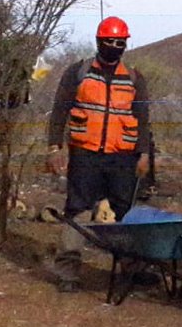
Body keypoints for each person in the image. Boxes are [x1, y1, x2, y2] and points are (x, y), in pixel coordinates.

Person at [46, 16, 151, 293]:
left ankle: (131, 268)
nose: (116, 47)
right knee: (77, 210)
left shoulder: (134, 78)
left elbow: (142, 119)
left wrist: (143, 154)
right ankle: (68, 272)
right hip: (85, 155)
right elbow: (59, 112)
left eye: (121, 42)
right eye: (110, 42)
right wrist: (54, 147)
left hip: (122, 157)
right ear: (99, 42)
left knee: (125, 213)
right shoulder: (77, 72)